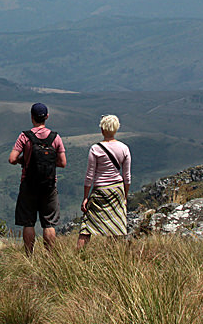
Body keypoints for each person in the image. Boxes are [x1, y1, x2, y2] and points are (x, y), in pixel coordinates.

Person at [8, 102, 67, 254]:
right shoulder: (55, 138)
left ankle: (29, 256)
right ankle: (50, 256)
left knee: (28, 222)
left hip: (28, 183)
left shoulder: (25, 137)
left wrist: (24, 160)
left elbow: (12, 159)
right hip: (49, 185)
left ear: (32, 117)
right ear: (46, 117)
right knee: (49, 224)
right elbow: (63, 163)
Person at [77, 115, 131, 250]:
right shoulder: (124, 148)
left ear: (102, 129)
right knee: (116, 224)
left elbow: (90, 176)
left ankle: (79, 255)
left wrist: (85, 197)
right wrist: (125, 196)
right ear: (116, 128)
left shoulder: (95, 149)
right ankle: (114, 256)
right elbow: (127, 176)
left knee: (87, 226)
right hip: (117, 189)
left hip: (100, 189)